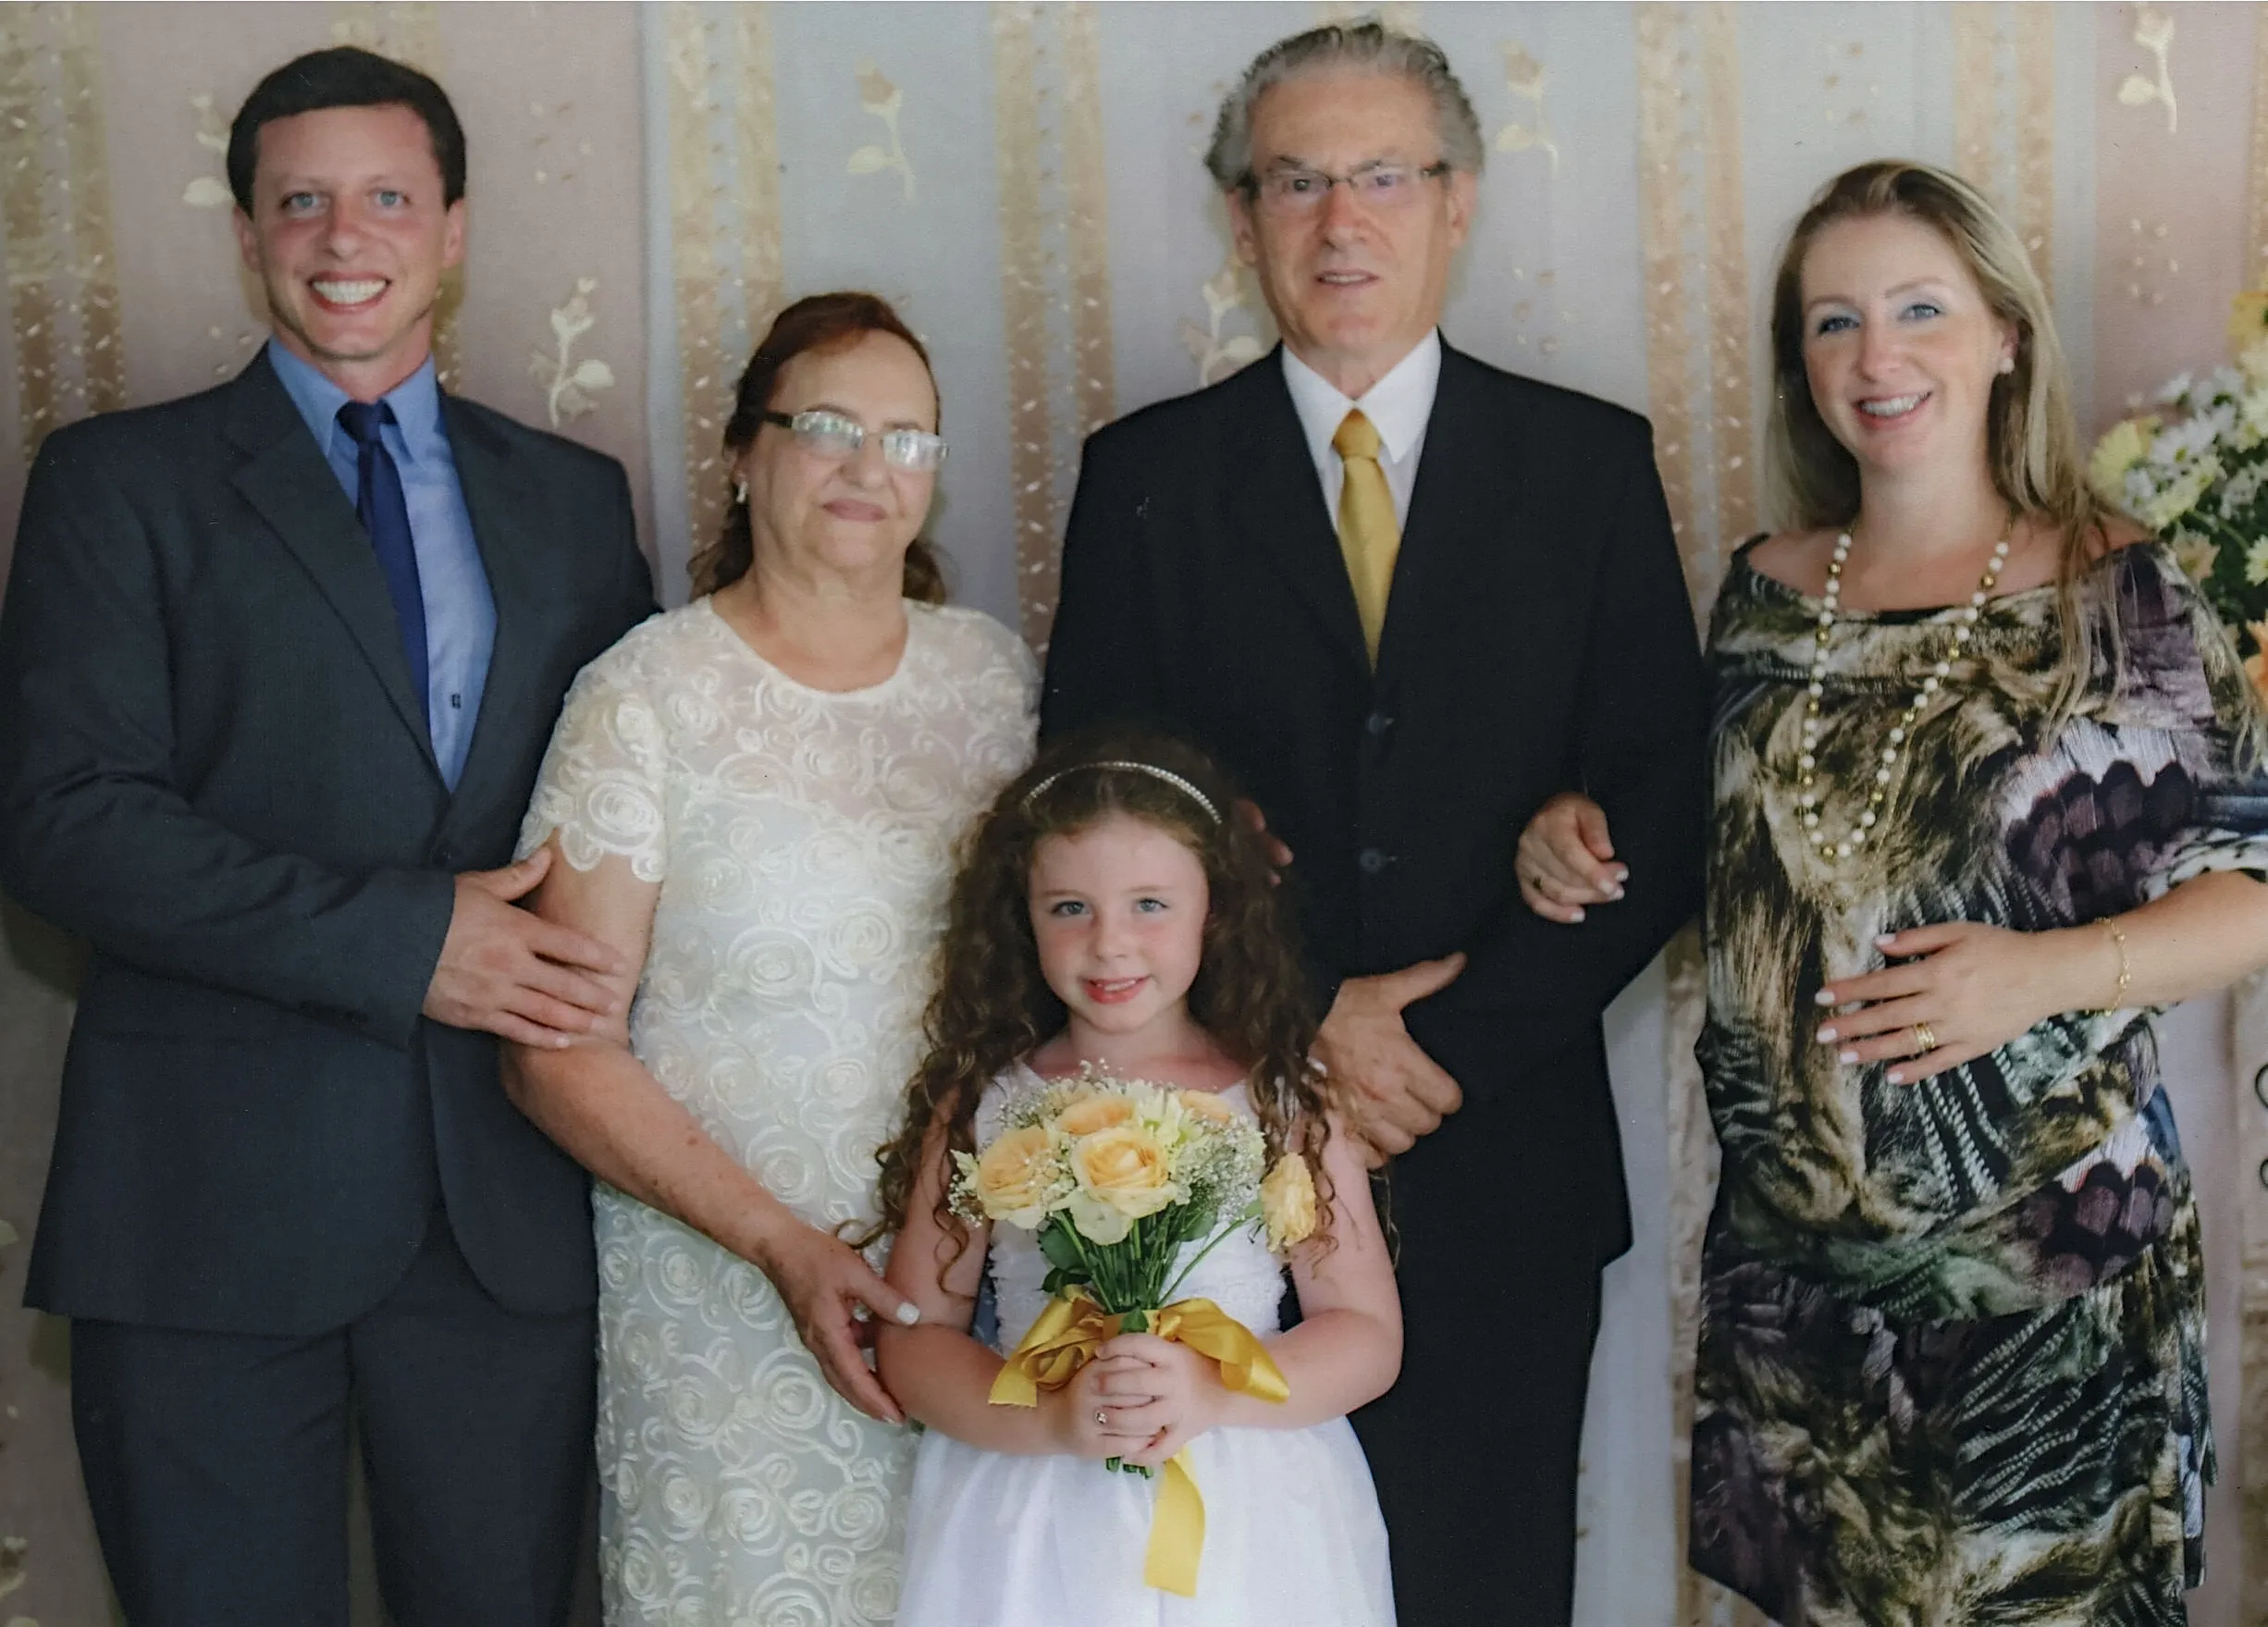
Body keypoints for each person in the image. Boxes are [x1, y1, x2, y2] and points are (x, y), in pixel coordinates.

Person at [1520, 160, 2268, 1623]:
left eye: (1921, 308)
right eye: (1834, 322)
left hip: (2045, 1288)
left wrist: (2042, 975)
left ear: (2004, 333)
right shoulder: (1762, 589)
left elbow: (2255, 885)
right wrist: (1569, 824)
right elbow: (1706, 840)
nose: (1877, 356)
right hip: (1798, 1289)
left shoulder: (2118, 592)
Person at [1039, 21, 1707, 1621]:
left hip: (1504, 1154)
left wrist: (1454, 1036)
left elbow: (1667, 810)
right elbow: (1087, 808)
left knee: (1482, 1587)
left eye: (1383, 176)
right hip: (1209, 1175)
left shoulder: (1587, 464)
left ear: (1456, 201)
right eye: (1296, 181)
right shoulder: (1144, 478)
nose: (1341, 221)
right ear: (1242, 214)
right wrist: (1309, 1022)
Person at [0, 47, 654, 1624]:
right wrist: (412, 936)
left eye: (382, 197)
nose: (341, 235)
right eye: (299, 200)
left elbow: (641, 810)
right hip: (204, 1218)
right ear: (246, 235)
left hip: (505, 1212)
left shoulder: (575, 499)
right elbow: (63, 822)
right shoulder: (112, 483)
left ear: (452, 229)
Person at [502, 290, 1037, 1624]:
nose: (870, 468)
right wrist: (784, 1247)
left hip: (977, 1287)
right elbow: (553, 1044)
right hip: (728, 1295)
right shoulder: (648, 691)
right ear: (745, 455)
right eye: (829, 427)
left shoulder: (997, 680)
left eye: (908, 439)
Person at [869, 732, 1400, 1626]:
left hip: (1251, 1496)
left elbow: (1366, 1333)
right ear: (1023, 917)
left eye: (1150, 903)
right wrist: (1048, 1419)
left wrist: (1209, 1389)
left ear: (1215, 912)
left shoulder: (1280, 1100)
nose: (1109, 944)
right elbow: (917, 1340)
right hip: (1033, 1505)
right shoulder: (984, 1106)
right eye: (1069, 906)